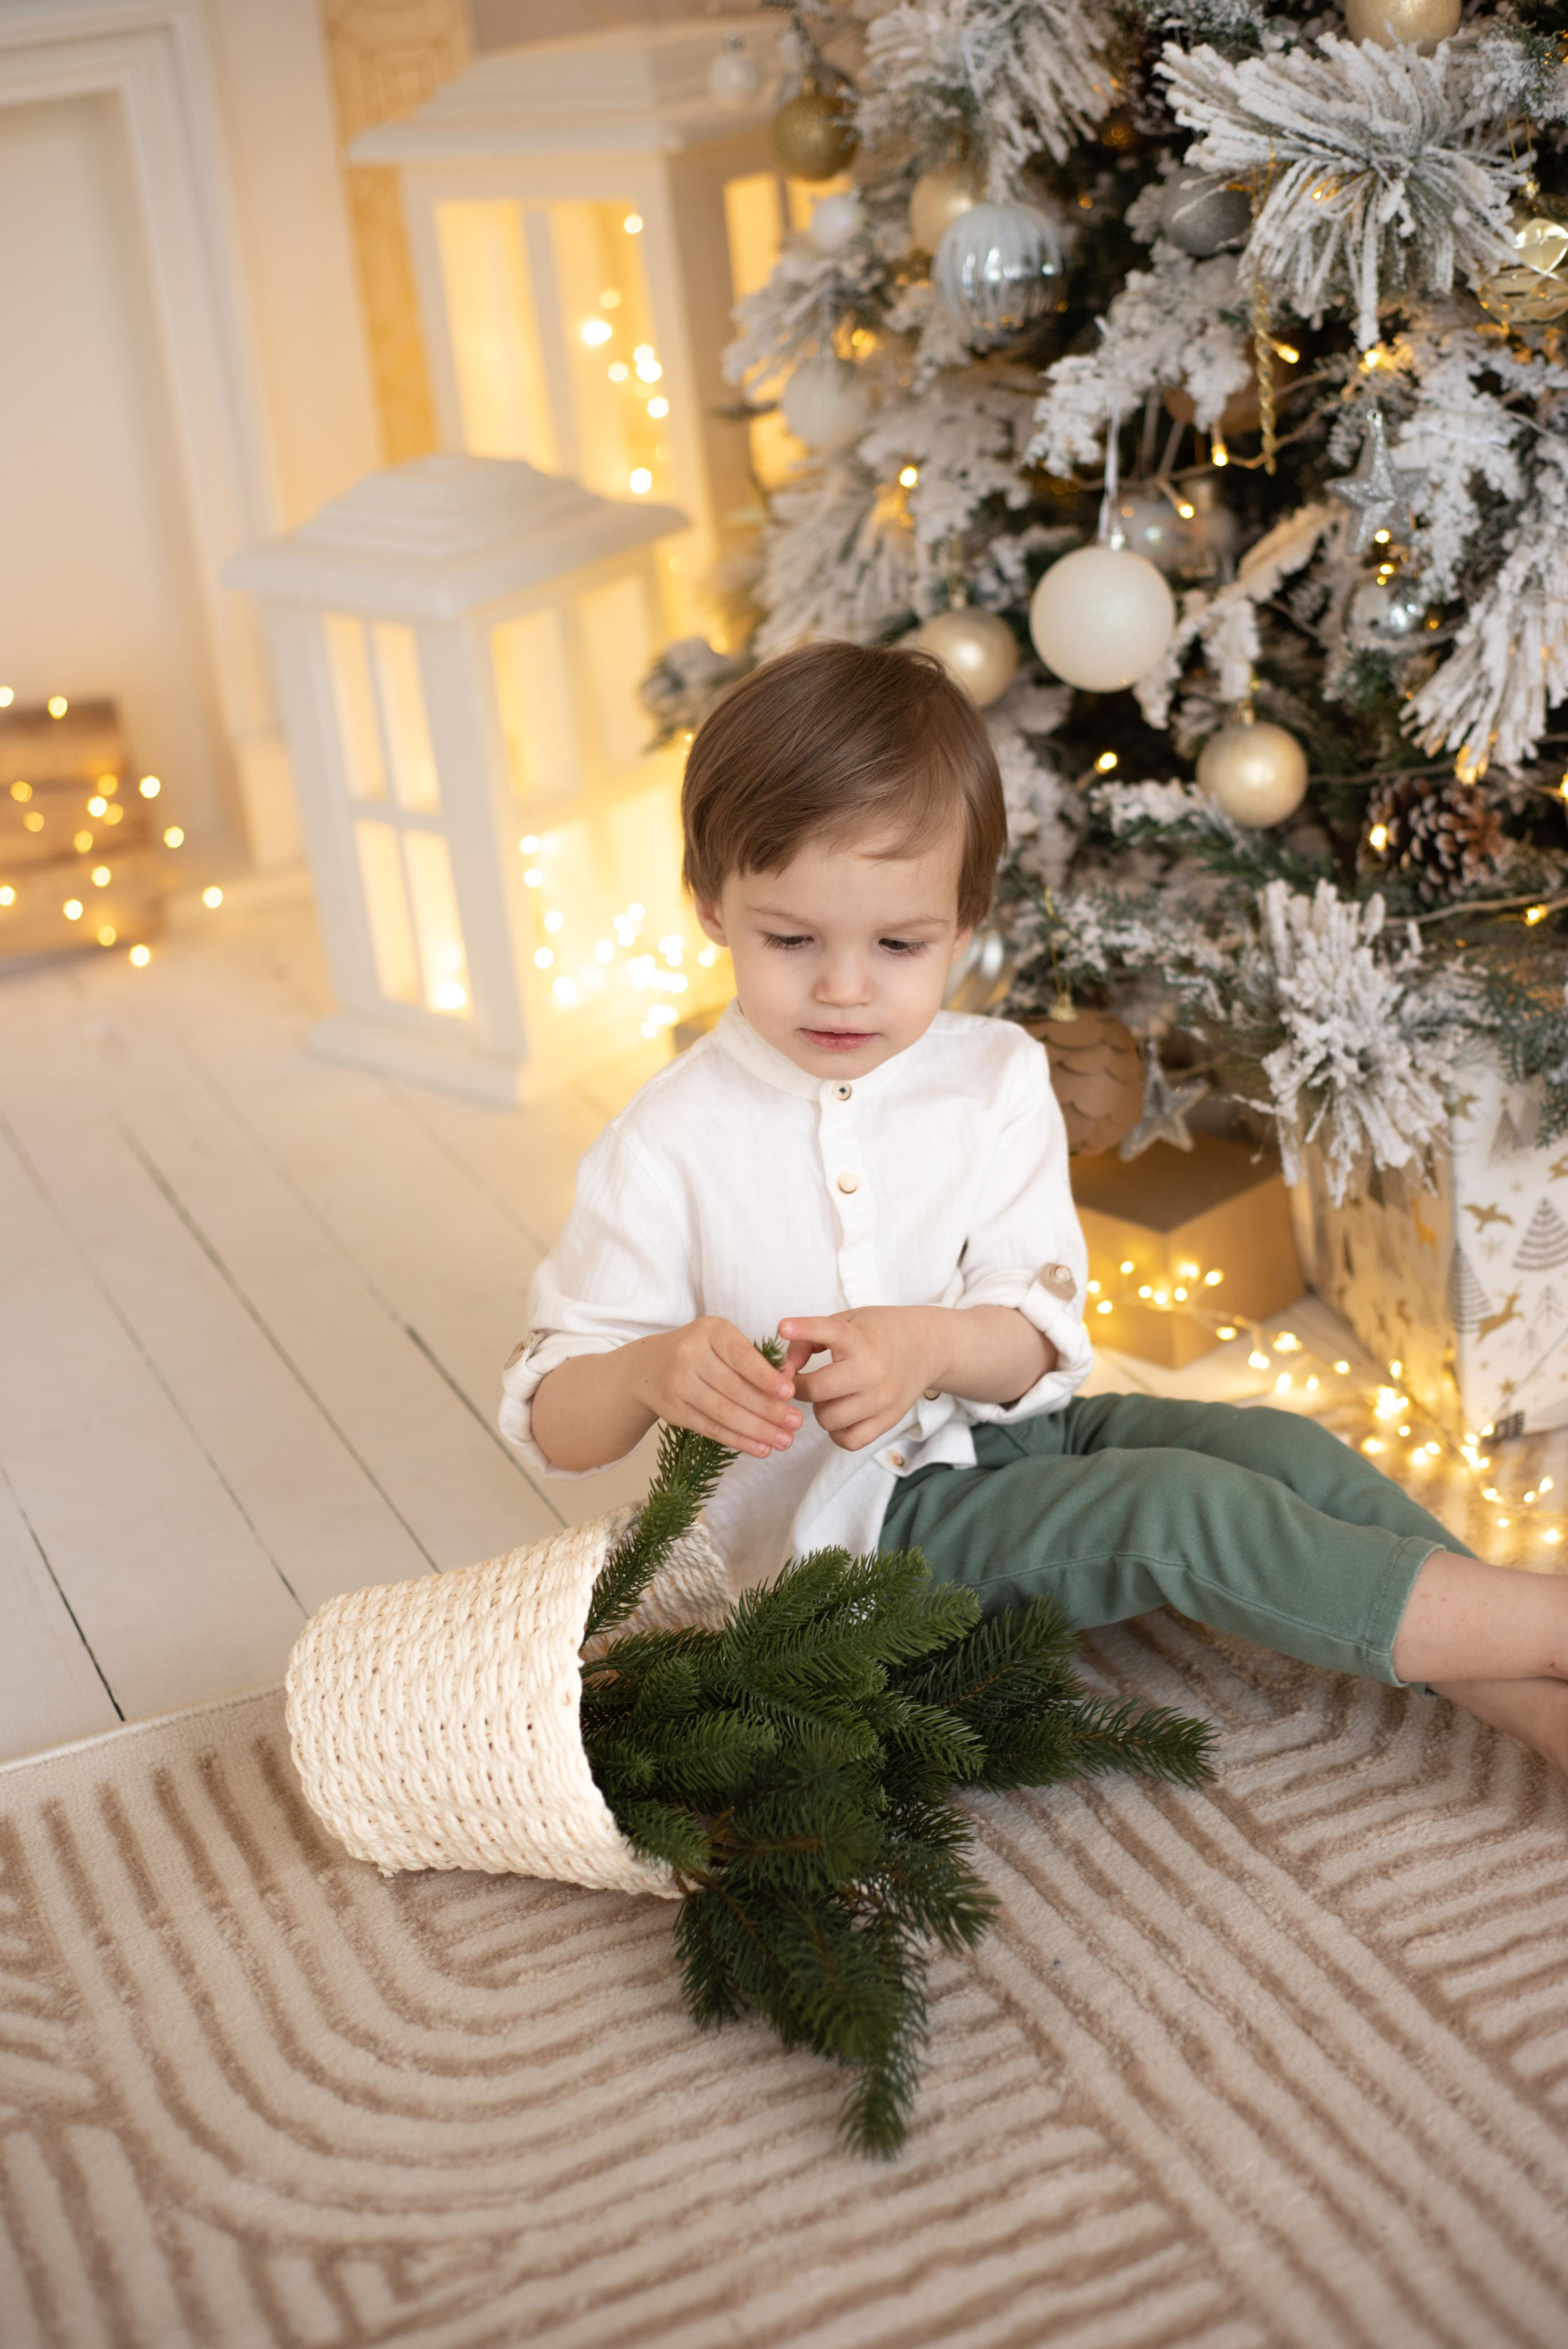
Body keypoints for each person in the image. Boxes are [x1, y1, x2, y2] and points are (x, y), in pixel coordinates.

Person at [501, 639, 1568, 1776]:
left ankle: (1535, 1703)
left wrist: (928, 1344)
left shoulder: (997, 1074)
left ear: (965, 924)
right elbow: (557, 1419)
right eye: (793, 939)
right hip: (853, 1548)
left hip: (1023, 1431)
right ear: (713, 906)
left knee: (1278, 1448)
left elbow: (1038, 1339)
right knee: (1179, 1513)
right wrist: (651, 1369)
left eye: (899, 944)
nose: (846, 985)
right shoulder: (666, 1140)